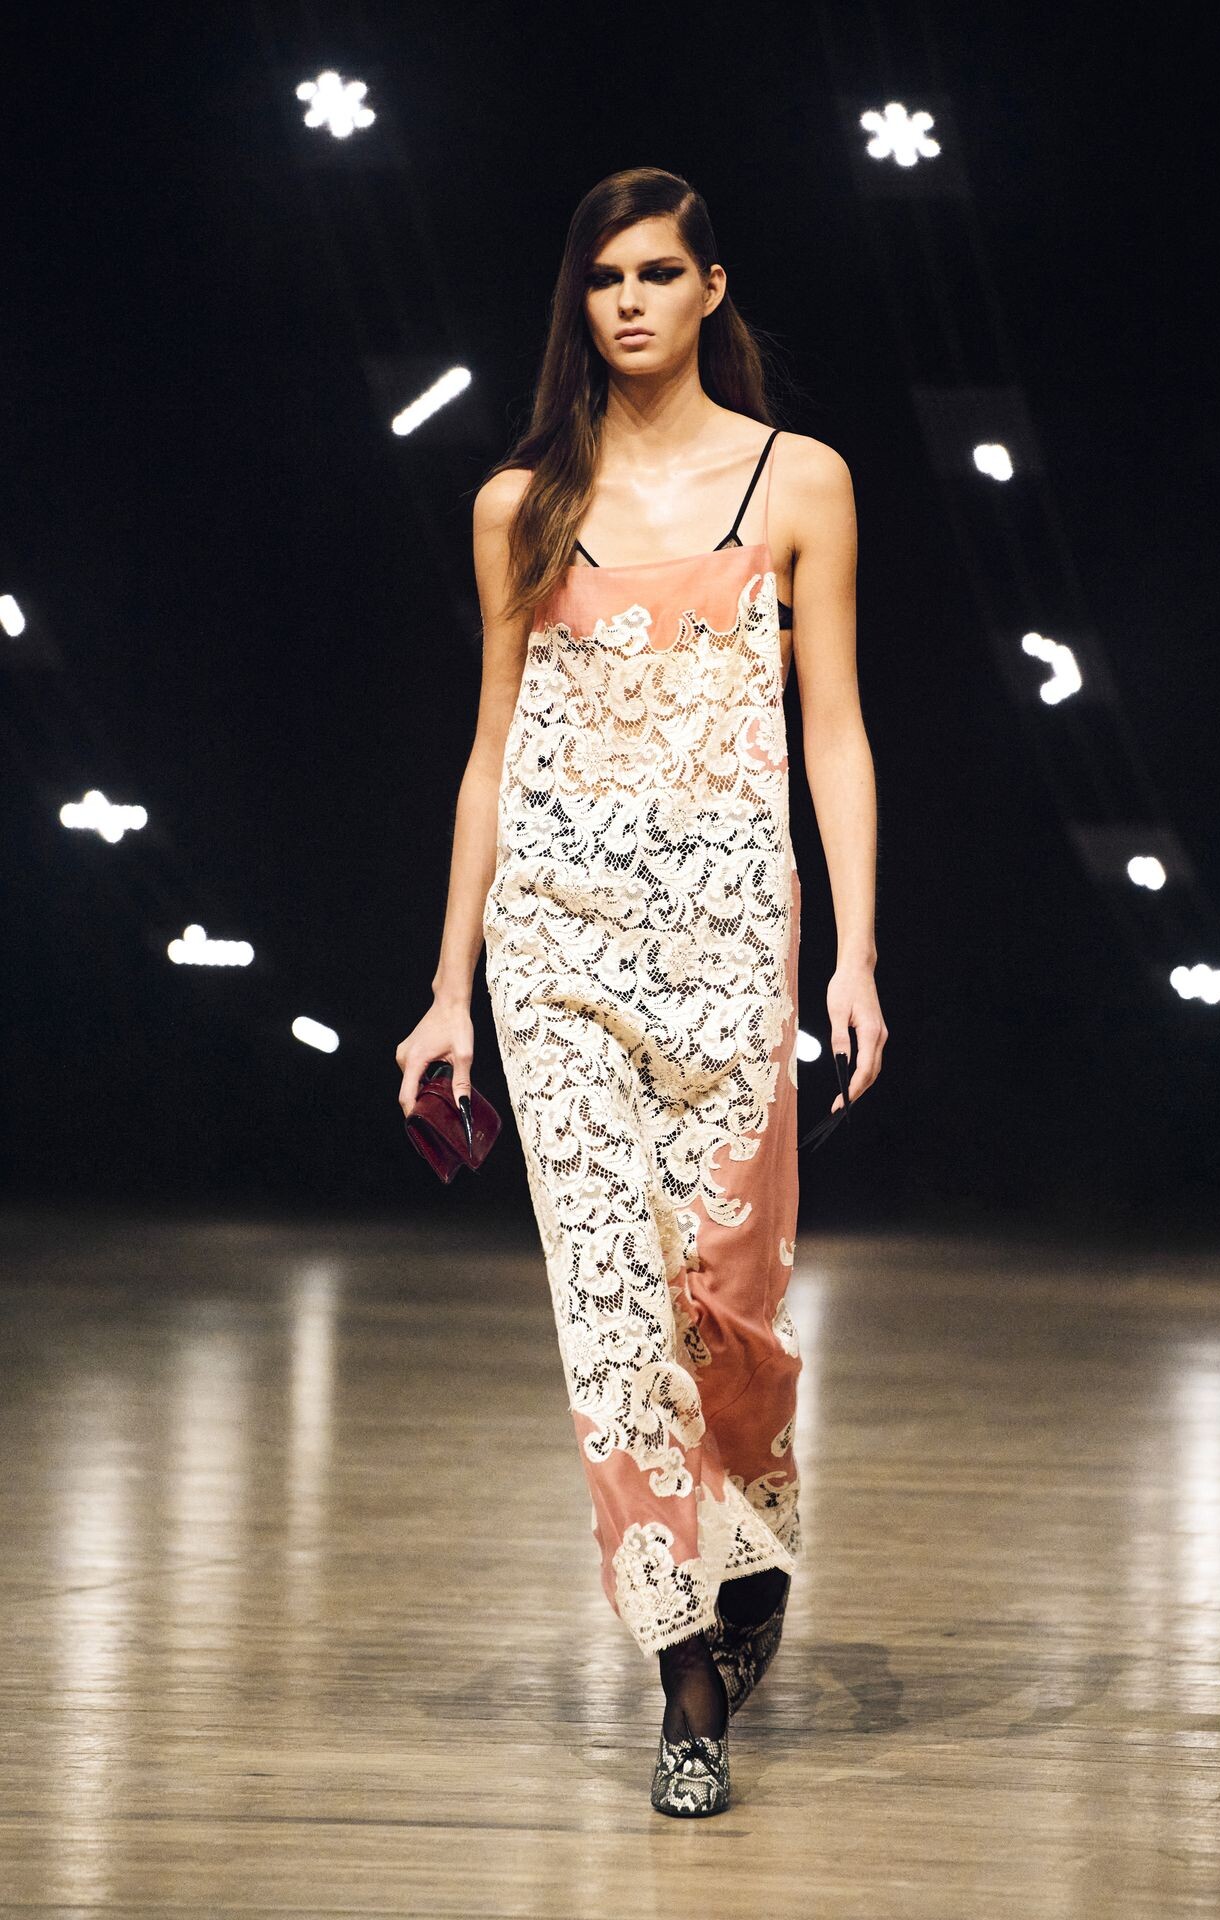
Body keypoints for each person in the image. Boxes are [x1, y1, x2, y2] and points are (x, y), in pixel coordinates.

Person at [396, 166, 885, 1817]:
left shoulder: (799, 480)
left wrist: (856, 955)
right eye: (605, 276)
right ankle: (684, 1673)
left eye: (659, 272)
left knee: (724, 1302)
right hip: (555, 947)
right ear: (581, 299)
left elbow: (833, 730)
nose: (629, 300)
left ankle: (753, 1548)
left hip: (734, 947)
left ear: (710, 289)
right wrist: (451, 988)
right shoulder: (519, 503)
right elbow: (490, 752)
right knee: (608, 1306)